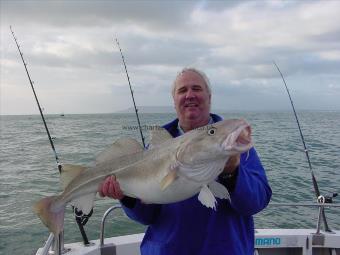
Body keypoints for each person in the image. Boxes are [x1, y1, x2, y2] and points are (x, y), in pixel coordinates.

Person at [99, 68, 272, 255]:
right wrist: (126, 197)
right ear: (174, 101)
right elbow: (147, 216)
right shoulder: (155, 149)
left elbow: (256, 202)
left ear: (209, 97)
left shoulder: (234, 145)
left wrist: (232, 172)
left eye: (196, 89)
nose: (190, 95)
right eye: (182, 91)